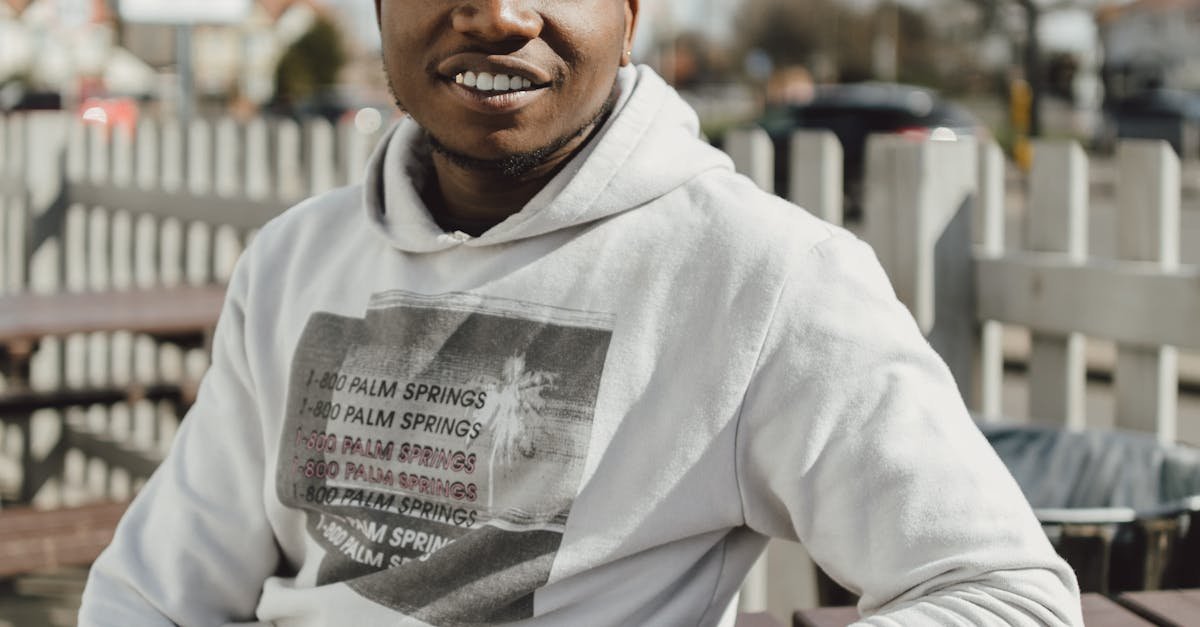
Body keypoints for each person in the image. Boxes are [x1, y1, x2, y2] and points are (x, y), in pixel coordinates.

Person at [80, 1, 1083, 625]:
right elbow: (155, 595)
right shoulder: (296, 258)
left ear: (629, 10)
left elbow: (1001, 594)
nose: (498, 14)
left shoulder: (766, 275)